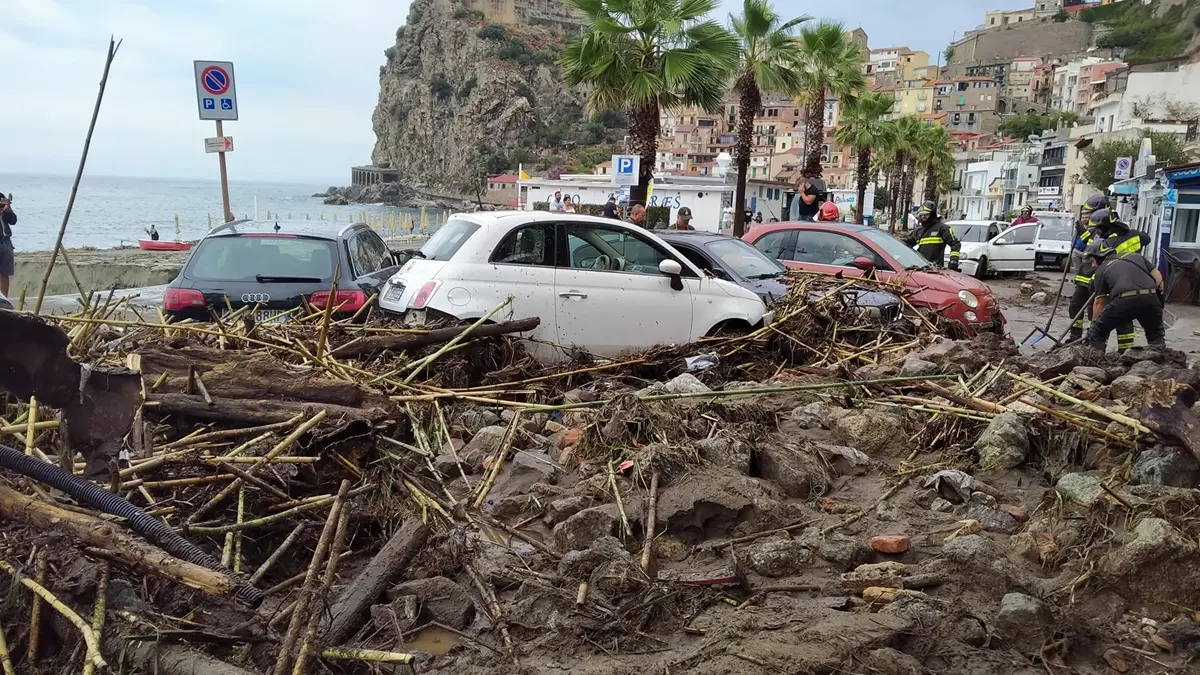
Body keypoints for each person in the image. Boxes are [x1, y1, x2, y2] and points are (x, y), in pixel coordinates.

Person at [1087, 233, 1166, 352]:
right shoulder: (1135, 256)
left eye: (1092, 261)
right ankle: (1158, 360)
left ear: (1099, 257)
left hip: (1125, 301)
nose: (1092, 265)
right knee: (1156, 336)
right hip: (1151, 298)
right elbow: (1158, 277)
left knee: (1098, 333)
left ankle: (1095, 361)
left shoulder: (1101, 271)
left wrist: (1093, 326)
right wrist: (1158, 302)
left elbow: (1100, 303)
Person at [1067, 194, 1112, 340]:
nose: (1085, 216)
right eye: (1084, 214)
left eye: (1088, 213)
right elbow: (1083, 247)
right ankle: (1075, 335)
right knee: (1075, 305)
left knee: (1095, 308)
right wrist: (1081, 232)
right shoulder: (1091, 229)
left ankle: (1092, 338)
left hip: (1099, 277)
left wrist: (1083, 233)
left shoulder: (1107, 229)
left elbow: (1098, 248)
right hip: (1084, 275)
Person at [905, 201, 960, 270]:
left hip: (936, 268)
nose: (923, 216)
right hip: (921, 268)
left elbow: (955, 244)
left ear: (932, 214)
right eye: (921, 214)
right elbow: (907, 244)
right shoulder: (919, 231)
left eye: (926, 214)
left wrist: (954, 260)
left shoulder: (942, 228)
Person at [0, 192, 16, 298]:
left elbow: (13, 220)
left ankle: (3, 300)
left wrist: (8, 210)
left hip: (4, 240)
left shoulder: (1, 197)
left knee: (4, 273)